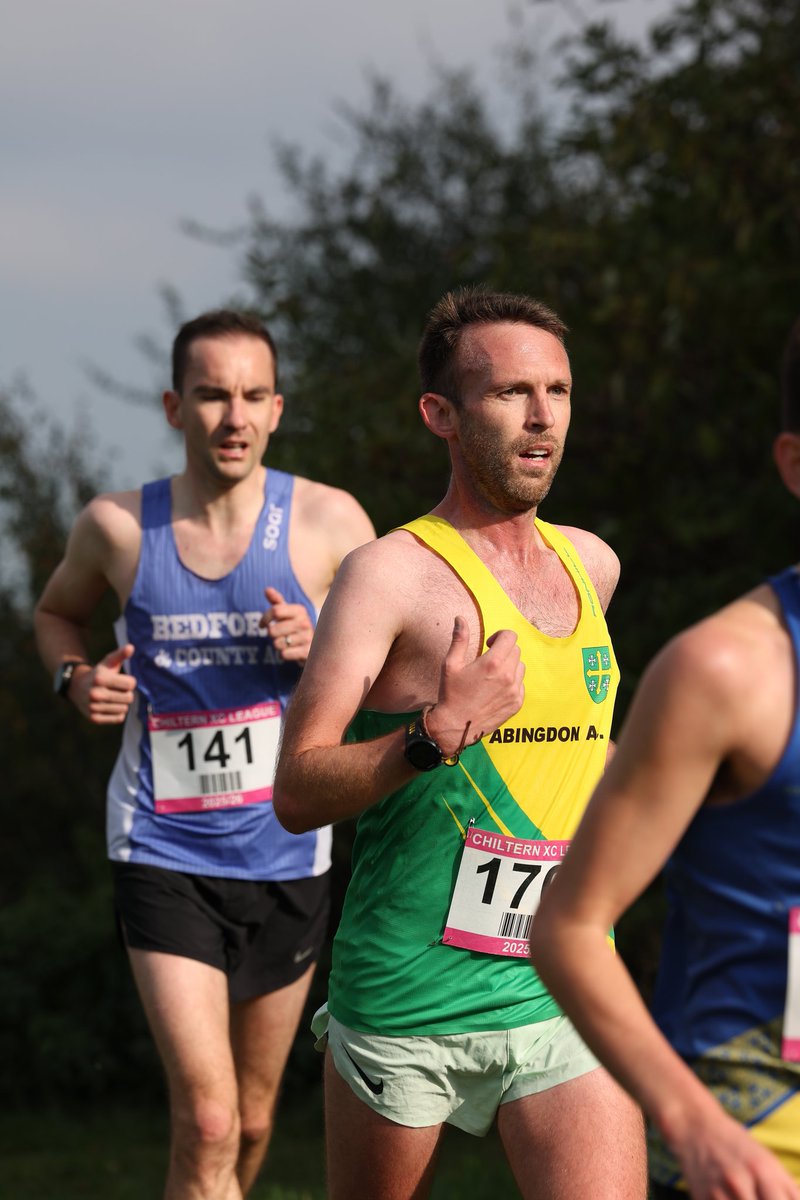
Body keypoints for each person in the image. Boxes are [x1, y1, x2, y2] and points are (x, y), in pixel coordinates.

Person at [272, 287, 646, 1199]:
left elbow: (579, 757)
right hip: (408, 997)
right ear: (440, 413)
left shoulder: (592, 566)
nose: (541, 417)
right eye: (511, 392)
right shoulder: (388, 575)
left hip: (557, 987)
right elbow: (296, 788)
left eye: (557, 392)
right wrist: (431, 737)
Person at [34, 310, 375, 1200]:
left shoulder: (332, 522)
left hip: (287, 850)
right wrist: (73, 679)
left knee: (254, 1121)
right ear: (174, 407)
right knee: (211, 1117)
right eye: (213, 394)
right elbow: (53, 613)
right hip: (162, 849)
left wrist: (326, 642)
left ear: (277, 408)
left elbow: (398, 662)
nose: (235, 415)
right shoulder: (116, 527)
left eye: (253, 395)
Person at [531, 317, 800, 1199]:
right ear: (795, 467)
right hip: (756, 1152)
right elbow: (569, 929)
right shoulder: (724, 671)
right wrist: (693, 1125)